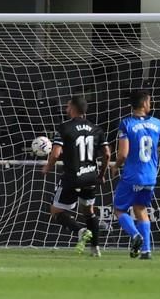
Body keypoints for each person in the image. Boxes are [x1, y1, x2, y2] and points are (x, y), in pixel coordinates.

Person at [112, 91, 160, 259]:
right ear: (143, 104)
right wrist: (157, 150)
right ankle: (146, 250)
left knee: (119, 210)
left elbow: (123, 154)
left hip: (132, 175)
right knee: (141, 209)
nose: (151, 104)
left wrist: (116, 166)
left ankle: (135, 235)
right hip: (150, 176)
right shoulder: (157, 123)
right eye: (149, 101)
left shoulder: (126, 123)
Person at [42, 96, 110, 257]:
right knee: (89, 211)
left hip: (72, 177)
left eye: (67, 107)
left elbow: (56, 153)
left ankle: (80, 230)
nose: (66, 110)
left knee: (56, 210)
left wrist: (48, 167)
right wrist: (101, 175)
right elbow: (107, 154)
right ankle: (95, 249)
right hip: (90, 177)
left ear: (72, 108)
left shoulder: (65, 127)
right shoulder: (96, 129)